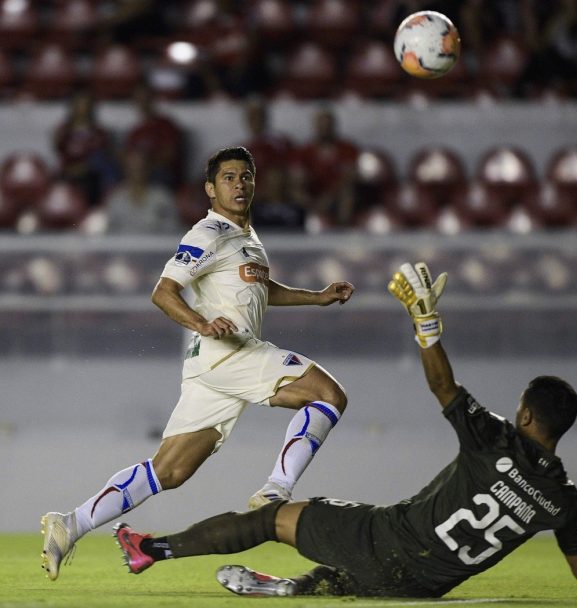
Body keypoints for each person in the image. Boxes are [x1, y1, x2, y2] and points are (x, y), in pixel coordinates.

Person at [112, 262, 577, 599]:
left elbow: (444, 387)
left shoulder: (497, 440)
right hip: (426, 587)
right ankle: (301, 589)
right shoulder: (563, 498)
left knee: (272, 518)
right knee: (351, 578)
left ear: (528, 417)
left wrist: (426, 326)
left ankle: (153, 550)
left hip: (386, 538)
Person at [41, 146, 354, 581]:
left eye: (245, 176)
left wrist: (315, 297)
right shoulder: (208, 233)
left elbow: (263, 289)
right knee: (328, 395)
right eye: (228, 177)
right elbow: (163, 292)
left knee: (170, 470)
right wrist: (202, 322)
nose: (239, 184)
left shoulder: (245, 238)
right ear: (210, 189)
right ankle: (274, 491)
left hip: (211, 369)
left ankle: (69, 524)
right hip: (230, 353)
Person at [102, 150, 180, 234]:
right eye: (133, 168)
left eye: (140, 167)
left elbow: (173, 228)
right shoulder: (116, 199)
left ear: (148, 169)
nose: (136, 172)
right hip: (124, 246)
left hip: (156, 246)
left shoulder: (162, 197)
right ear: (126, 170)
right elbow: (109, 232)